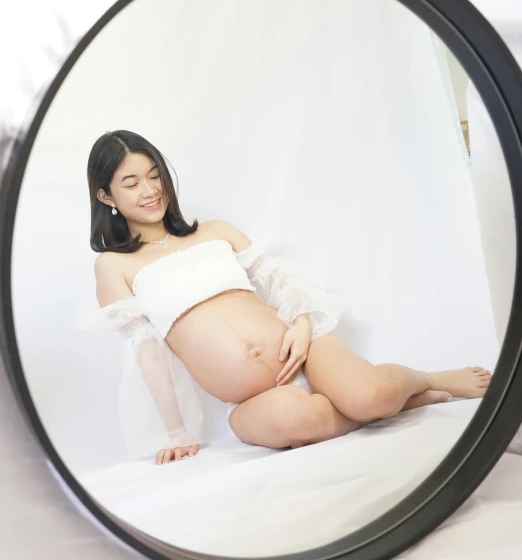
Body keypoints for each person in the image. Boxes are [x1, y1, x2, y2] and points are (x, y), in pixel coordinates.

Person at [77, 130, 491, 465]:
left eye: (154, 175)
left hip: (302, 351)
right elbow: (148, 353)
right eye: (131, 183)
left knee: (371, 395)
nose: (150, 190)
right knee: (297, 421)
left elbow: (278, 280)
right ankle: (400, 403)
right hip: (253, 398)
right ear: (106, 197)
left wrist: (302, 323)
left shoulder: (214, 231)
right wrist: (176, 431)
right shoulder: (114, 266)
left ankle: (424, 382)